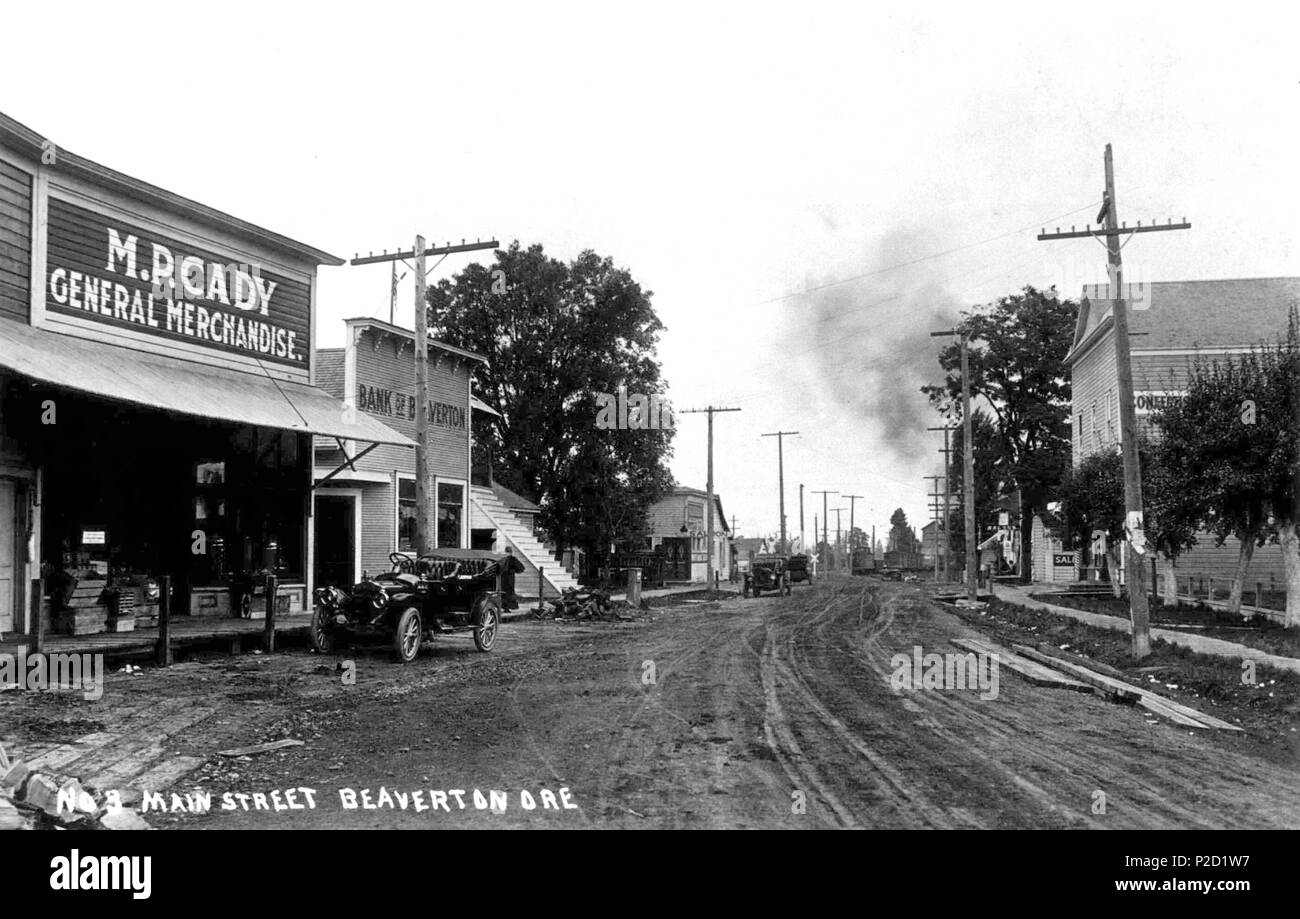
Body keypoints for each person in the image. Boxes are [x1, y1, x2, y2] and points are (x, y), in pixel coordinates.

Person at [501, 545, 526, 610]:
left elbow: (521, 568)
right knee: (507, 592)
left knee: (507, 592)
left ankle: (506, 607)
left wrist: (513, 570)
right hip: (506, 578)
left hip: (506, 578)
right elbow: (521, 568)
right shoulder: (507, 559)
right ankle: (506, 607)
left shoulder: (509, 559)